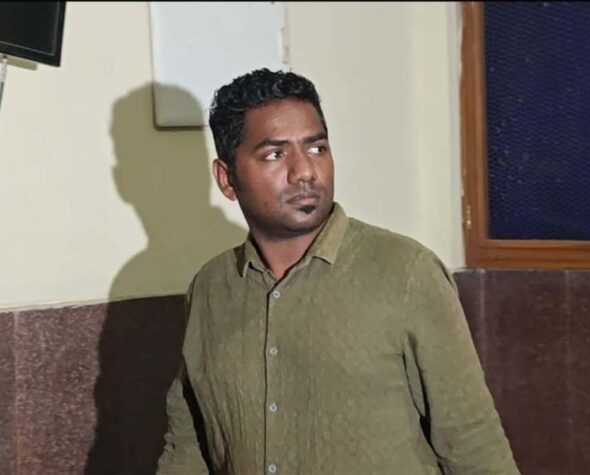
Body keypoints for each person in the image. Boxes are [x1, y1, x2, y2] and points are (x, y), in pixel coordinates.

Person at [157, 68, 519, 475]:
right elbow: (188, 444)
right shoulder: (211, 288)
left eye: (317, 148)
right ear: (227, 179)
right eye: (275, 154)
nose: (305, 172)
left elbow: (474, 445)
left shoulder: (406, 273)